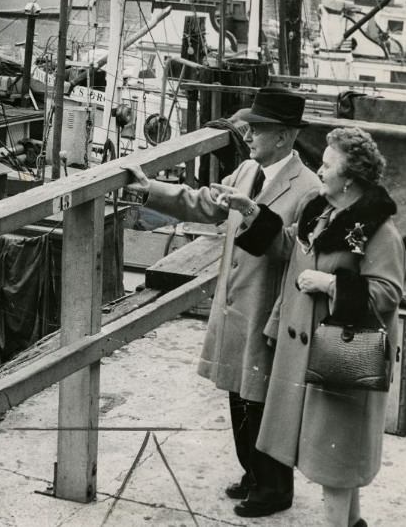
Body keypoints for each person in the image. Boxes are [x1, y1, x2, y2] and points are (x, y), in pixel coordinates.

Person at [125, 87, 320, 518]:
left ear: (285, 138)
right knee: (238, 392)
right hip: (235, 304)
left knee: (265, 400)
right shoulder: (250, 169)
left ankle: (274, 488)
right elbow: (206, 204)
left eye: (259, 129)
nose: (248, 134)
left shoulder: (310, 189)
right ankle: (252, 473)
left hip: (268, 310)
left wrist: (252, 213)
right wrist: (149, 189)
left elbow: (295, 250)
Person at [220, 126, 404, 527]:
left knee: (334, 461)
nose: (319, 170)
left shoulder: (378, 231)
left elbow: (388, 294)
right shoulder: (318, 210)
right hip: (304, 354)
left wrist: (332, 284)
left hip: (340, 357)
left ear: (351, 176)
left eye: (327, 164)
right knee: (331, 456)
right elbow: (288, 248)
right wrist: (250, 209)